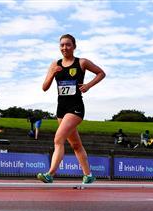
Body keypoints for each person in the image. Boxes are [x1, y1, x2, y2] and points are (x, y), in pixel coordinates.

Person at [37, 34, 106, 184]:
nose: (64, 48)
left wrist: (88, 85)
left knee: (58, 139)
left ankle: (50, 174)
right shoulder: (55, 64)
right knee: (76, 145)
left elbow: (101, 73)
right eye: (62, 45)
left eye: (68, 44)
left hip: (75, 108)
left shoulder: (82, 62)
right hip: (61, 109)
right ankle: (88, 175)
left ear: (74, 46)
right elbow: (44, 87)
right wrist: (53, 73)